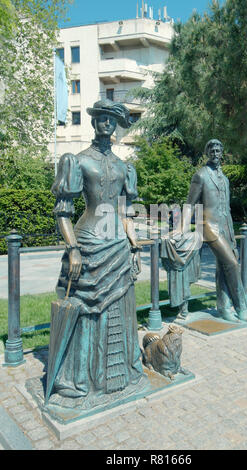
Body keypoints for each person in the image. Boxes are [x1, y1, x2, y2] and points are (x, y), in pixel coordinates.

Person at [48, 100, 148, 408]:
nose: (106, 123)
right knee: (88, 310)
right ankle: (84, 379)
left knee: (120, 307)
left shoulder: (123, 167)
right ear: (94, 122)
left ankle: (119, 375)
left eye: (112, 119)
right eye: (101, 117)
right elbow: (62, 212)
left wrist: (133, 245)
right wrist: (73, 248)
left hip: (117, 247)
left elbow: (126, 212)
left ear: (116, 124)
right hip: (89, 244)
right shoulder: (76, 161)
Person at [186, 139, 247, 322]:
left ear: (222, 152)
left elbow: (226, 208)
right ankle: (241, 306)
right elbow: (189, 205)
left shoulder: (226, 179)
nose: (215, 153)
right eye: (212, 151)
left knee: (224, 266)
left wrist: (231, 230)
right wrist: (179, 228)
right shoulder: (200, 175)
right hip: (209, 227)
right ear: (207, 153)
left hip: (226, 226)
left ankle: (223, 307)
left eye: (218, 150)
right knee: (232, 264)